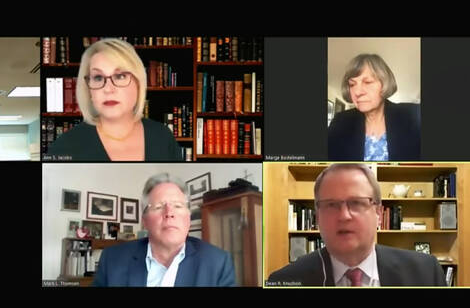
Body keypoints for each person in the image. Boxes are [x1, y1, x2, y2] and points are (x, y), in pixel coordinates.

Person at [268, 163, 445, 286]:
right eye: (331, 204)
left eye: (357, 203)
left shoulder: (425, 272)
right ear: (318, 217)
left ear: (378, 213)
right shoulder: (283, 281)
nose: (344, 215)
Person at [46, 39, 183, 161]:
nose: (108, 89)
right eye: (98, 78)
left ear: (138, 83)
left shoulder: (163, 136)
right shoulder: (63, 147)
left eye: (120, 76)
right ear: (89, 89)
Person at [94, 173, 235, 286]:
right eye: (159, 206)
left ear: (188, 218)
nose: (169, 213)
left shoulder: (218, 263)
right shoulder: (112, 260)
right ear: (145, 221)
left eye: (178, 206)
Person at [328, 54, 420, 161]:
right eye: (352, 84)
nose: (357, 92)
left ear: (385, 83)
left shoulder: (413, 115)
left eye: (367, 82)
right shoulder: (340, 121)